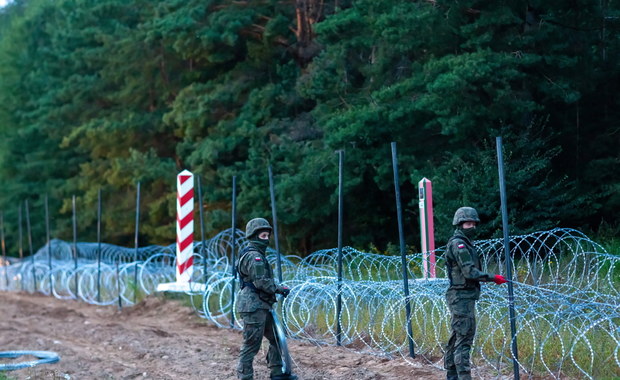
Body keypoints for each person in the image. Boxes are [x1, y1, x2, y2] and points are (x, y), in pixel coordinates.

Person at [444, 207, 507, 380]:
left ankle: (452, 377)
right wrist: (493, 277)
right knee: (463, 340)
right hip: (461, 297)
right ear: (459, 224)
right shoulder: (460, 244)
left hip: (462, 296)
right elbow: (470, 273)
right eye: (467, 223)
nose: (471, 226)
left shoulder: (463, 242)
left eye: (473, 223)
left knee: (457, 338)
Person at [236, 217, 297, 380]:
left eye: (267, 235)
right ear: (254, 236)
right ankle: (245, 377)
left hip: (261, 305)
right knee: (251, 345)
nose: (266, 239)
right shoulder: (254, 256)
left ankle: (277, 372)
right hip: (253, 306)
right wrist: (279, 288)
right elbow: (261, 281)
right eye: (263, 236)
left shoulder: (254, 254)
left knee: (276, 338)